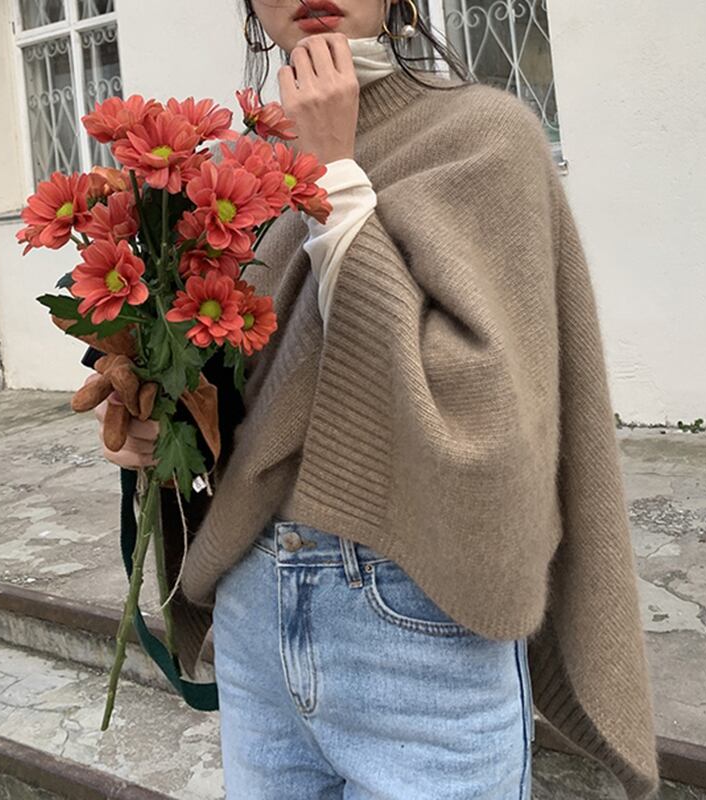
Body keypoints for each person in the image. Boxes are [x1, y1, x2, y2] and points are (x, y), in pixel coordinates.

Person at [80, 1, 660, 798]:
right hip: (254, 615)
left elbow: (484, 419)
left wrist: (337, 179)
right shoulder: (237, 178)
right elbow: (244, 402)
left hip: (421, 622)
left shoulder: (486, 136)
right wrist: (163, 435)